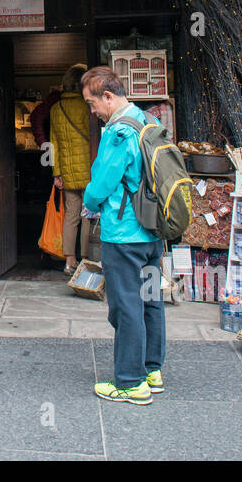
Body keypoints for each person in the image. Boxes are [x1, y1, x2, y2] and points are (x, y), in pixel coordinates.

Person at [79, 65, 165, 406]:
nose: (92, 110)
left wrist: (89, 202)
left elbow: (101, 183)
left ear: (109, 97)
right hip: (153, 232)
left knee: (126, 305)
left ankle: (130, 382)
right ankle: (151, 370)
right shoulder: (150, 122)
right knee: (150, 298)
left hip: (125, 234)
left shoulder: (118, 132)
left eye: (92, 102)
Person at [49, 63, 92, 274]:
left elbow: (53, 143)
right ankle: (85, 258)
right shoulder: (87, 107)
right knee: (88, 215)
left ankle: (69, 260)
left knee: (71, 215)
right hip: (89, 170)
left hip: (67, 171)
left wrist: (57, 173)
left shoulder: (56, 110)